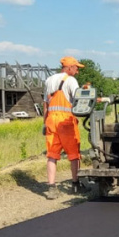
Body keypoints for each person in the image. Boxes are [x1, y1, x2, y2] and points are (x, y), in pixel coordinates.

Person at [43, 56, 88, 199]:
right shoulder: (71, 80)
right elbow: (79, 99)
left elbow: (45, 104)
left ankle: (51, 188)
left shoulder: (49, 80)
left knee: (52, 154)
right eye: (75, 68)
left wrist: (44, 123)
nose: (77, 71)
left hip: (51, 120)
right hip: (66, 121)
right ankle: (75, 185)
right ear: (68, 68)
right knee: (74, 154)